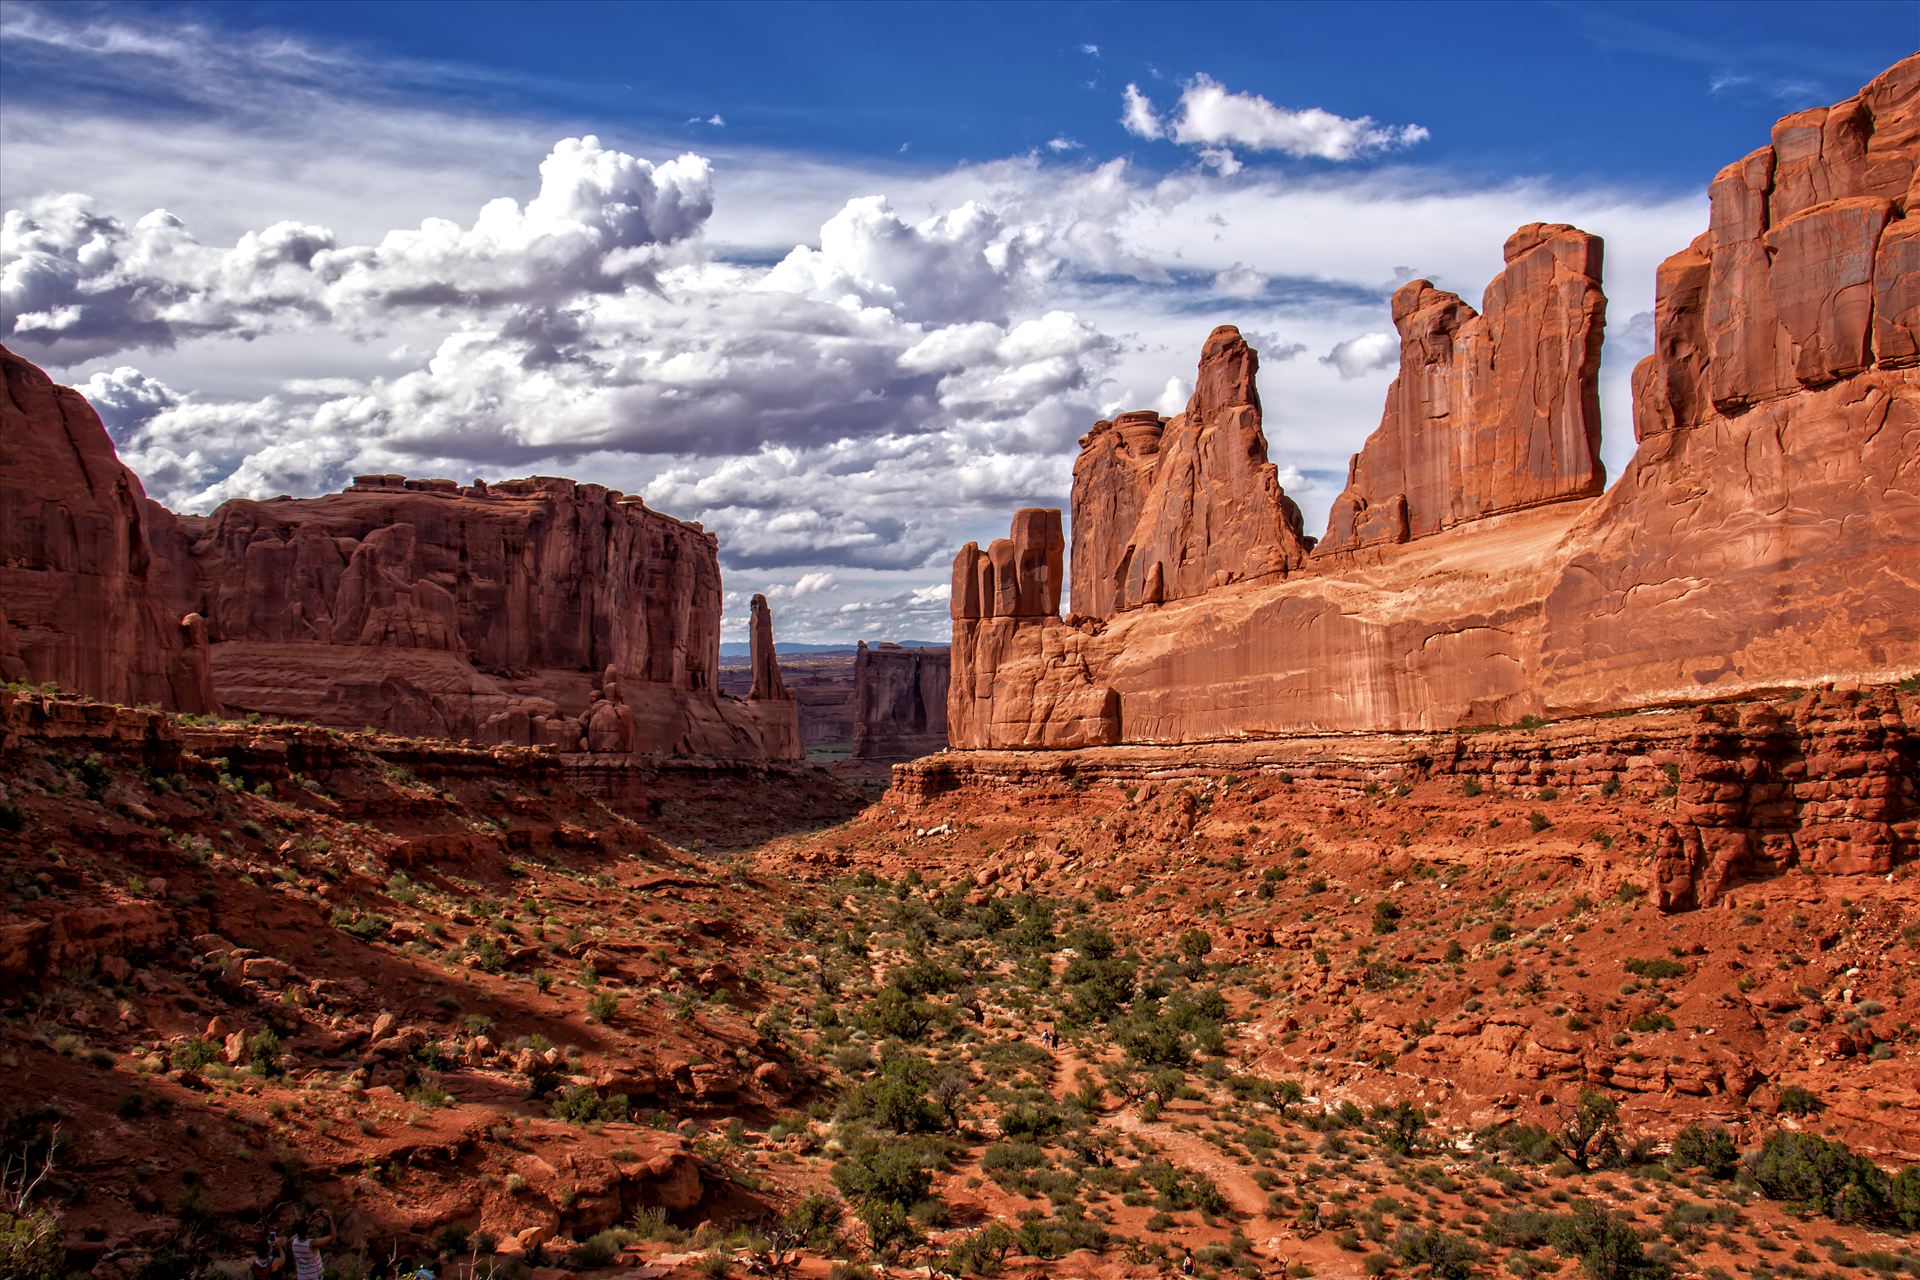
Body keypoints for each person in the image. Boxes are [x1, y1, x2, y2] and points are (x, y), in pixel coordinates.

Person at [288, 1214, 335, 1280]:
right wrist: (330, 1220)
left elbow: (301, 1229)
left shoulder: (293, 1242)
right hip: (314, 1277)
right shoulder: (312, 1244)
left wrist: (311, 1218)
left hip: (301, 1277)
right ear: (308, 1230)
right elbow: (333, 1236)